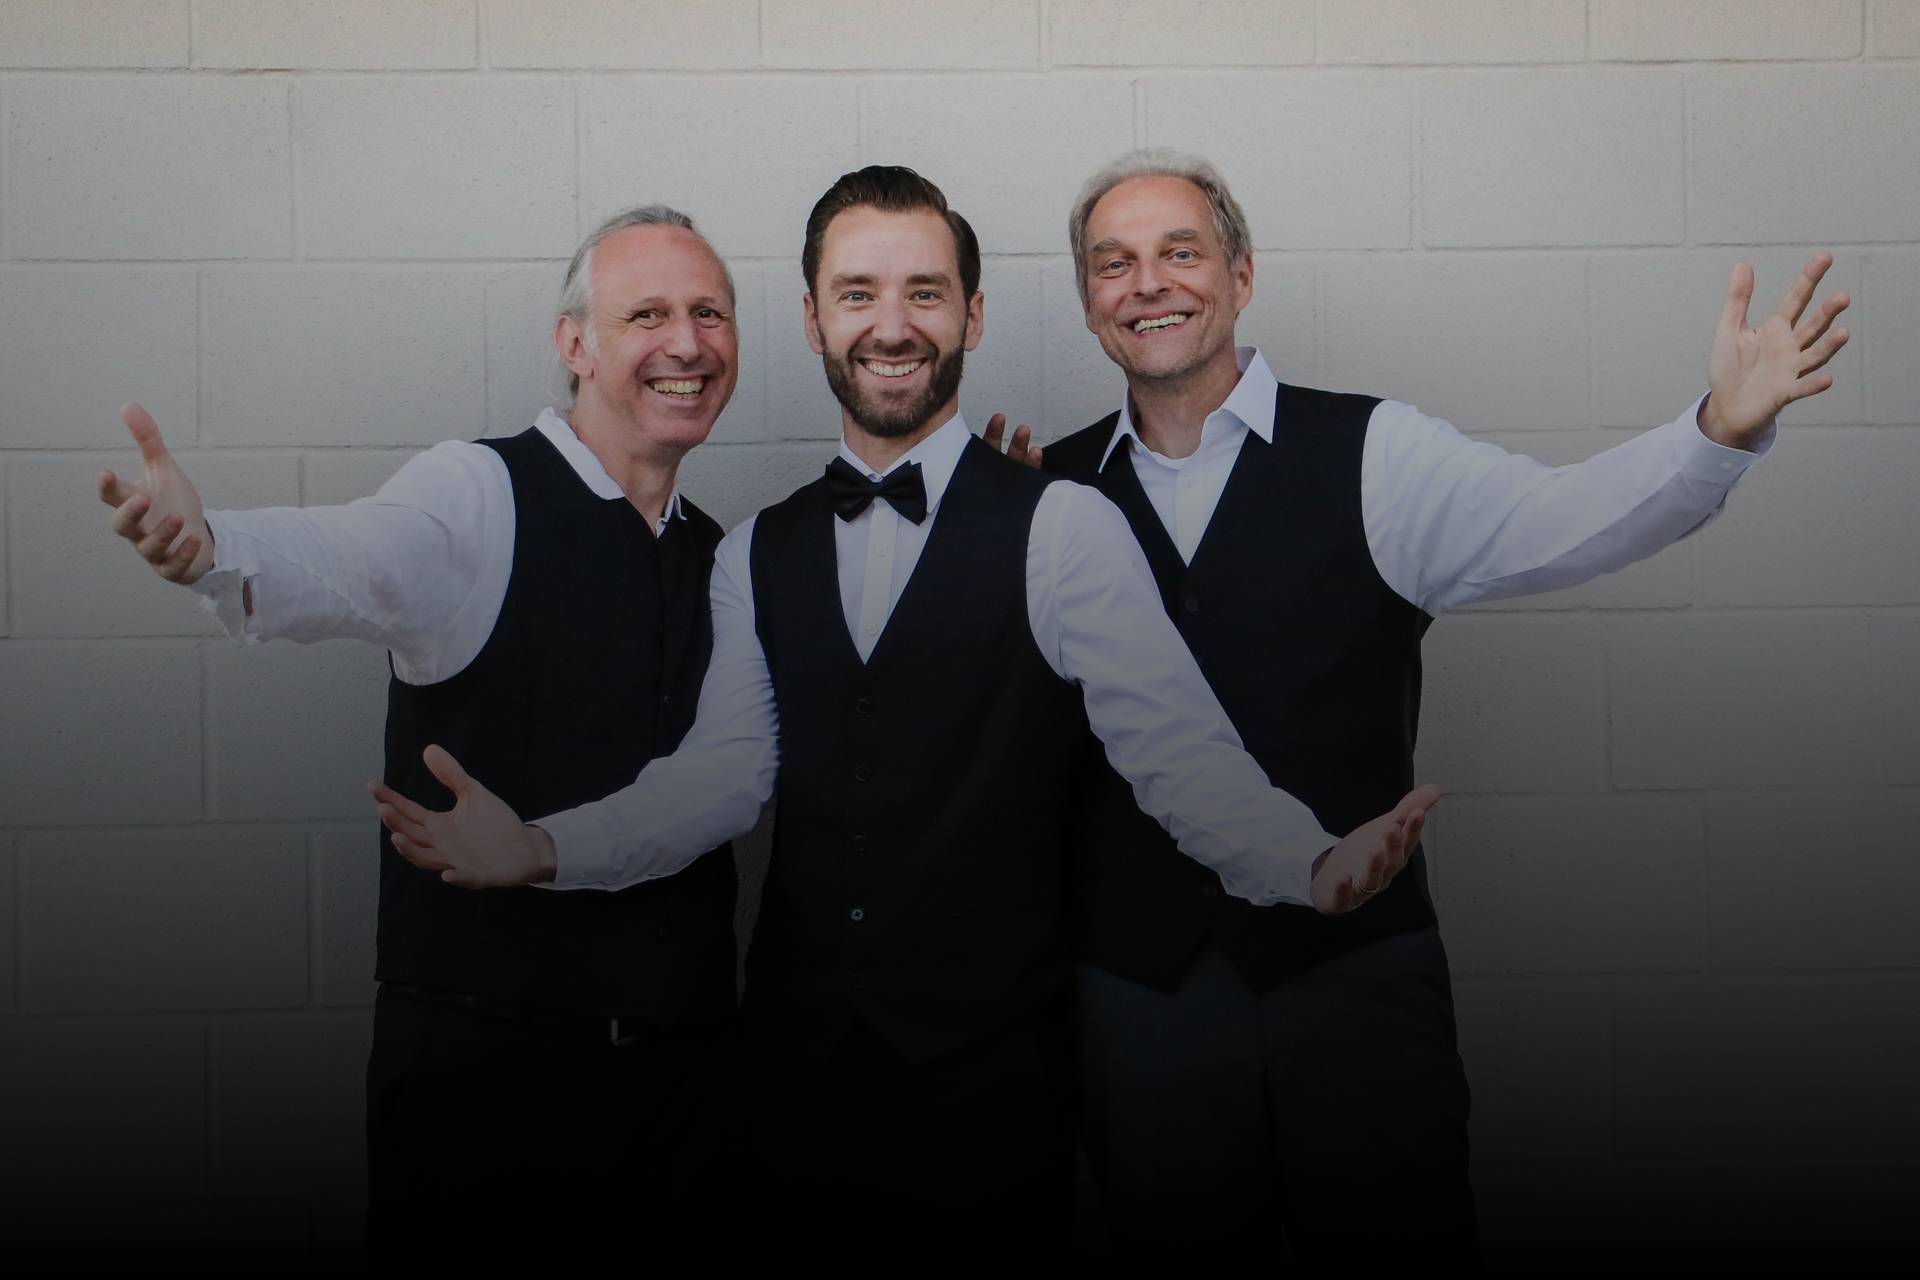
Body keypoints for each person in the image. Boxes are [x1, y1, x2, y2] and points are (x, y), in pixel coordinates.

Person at [369, 165, 1440, 1247]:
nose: (892, 326)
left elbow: (1176, 752)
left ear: (972, 314)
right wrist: (546, 847)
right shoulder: (753, 551)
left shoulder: (1064, 525)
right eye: (858, 293)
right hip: (789, 1077)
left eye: (925, 292)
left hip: (993, 1082)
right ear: (813, 319)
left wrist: (1304, 863)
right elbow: (721, 778)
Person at [1030, 149, 1850, 1260]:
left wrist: (1716, 430)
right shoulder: (1042, 492)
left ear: (1241, 274)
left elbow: (1561, 520)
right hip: (1143, 1008)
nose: (1149, 283)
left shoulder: (1374, 450)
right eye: (1114, 263)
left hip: (1355, 988)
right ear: (1088, 302)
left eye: (1181, 251)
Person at [97, 206, 747, 1255]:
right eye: (648, 315)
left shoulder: (720, 554)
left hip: (682, 1088)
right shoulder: (477, 491)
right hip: (490, 1095)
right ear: (575, 344)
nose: (687, 342)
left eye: (709, 313)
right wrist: (212, 544)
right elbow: (355, 555)